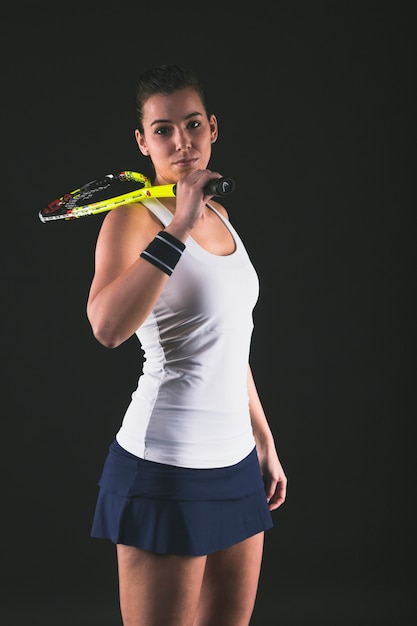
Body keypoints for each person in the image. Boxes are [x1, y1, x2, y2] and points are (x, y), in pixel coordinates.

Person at [87, 63, 287, 626]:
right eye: (164, 129)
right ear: (143, 141)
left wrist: (263, 439)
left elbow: (228, 345)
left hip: (236, 464)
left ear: (213, 128)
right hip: (165, 467)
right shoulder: (132, 220)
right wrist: (176, 226)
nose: (182, 141)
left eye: (193, 124)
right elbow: (106, 327)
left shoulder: (221, 216)